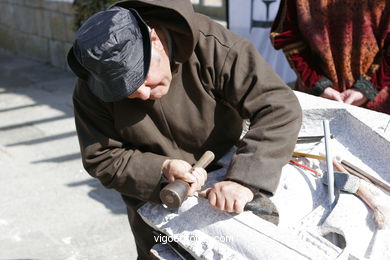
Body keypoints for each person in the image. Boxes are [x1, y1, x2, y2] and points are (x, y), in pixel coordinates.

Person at [67, 0, 302, 258]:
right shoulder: (95, 85)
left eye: (143, 80)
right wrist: (162, 169)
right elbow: (102, 157)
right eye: (130, 93)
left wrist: (244, 178)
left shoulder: (210, 43)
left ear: (155, 40)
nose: (145, 95)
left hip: (226, 179)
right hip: (155, 196)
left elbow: (277, 106)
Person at [271, 0, 390, 114]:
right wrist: (317, 84)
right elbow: (288, 37)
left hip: (377, 108)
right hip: (318, 103)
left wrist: (368, 88)